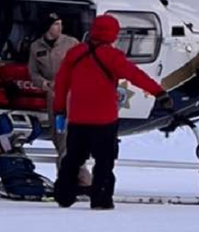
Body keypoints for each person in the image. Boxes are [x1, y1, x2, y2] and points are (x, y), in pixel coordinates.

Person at [52, 13, 171, 210]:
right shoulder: (112, 56)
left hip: (78, 117)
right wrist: (158, 92)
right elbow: (135, 75)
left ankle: (64, 195)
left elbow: (61, 84)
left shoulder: (75, 53)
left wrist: (59, 110)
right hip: (104, 118)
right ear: (113, 35)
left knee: (73, 158)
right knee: (104, 161)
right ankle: (100, 198)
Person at [28, 13, 89, 188]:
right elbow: (33, 72)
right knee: (58, 135)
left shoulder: (72, 43)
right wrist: (44, 83)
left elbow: (83, 67)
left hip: (71, 95)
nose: (59, 27)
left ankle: (77, 179)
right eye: (55, 24)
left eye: (60, 24)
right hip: (53, 97)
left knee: (68, 139)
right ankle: (73, 178)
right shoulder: (35, 47)